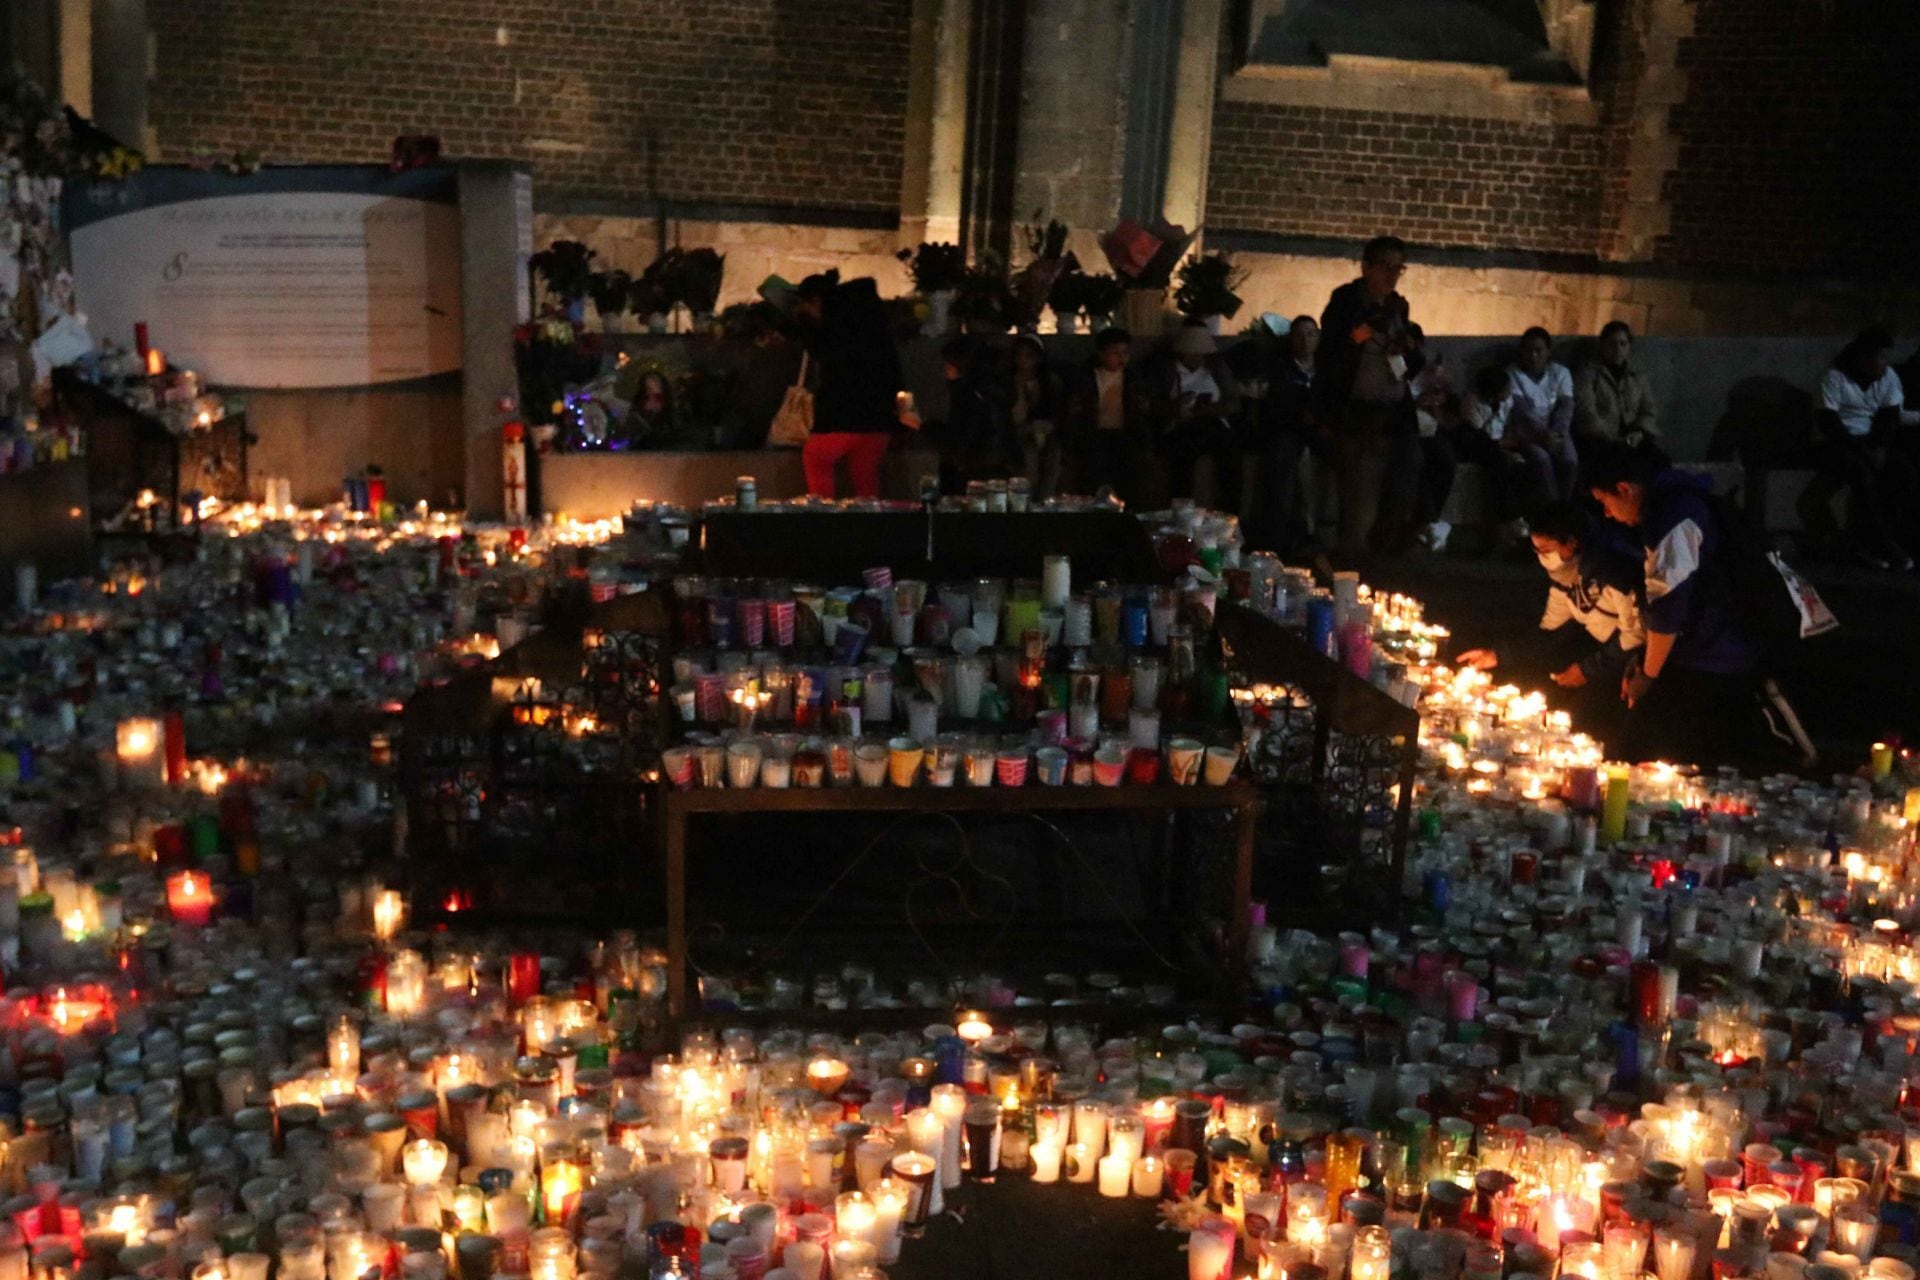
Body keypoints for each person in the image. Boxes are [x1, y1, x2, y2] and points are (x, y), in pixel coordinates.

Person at [1585, 444, 1790, 769]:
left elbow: (1669, 604)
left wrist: (1648, 676)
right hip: (1709, 647)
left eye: (1604, 502)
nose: (1608, 513)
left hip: (1712, 654)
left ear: (1624, 489)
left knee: (1636, 757)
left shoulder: (1674, 516)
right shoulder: (1675, 505)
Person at [1456, 501, 1643, 741]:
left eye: (1547, 550)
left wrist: (1588, 670)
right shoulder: (1565, 574)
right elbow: (1550, 631)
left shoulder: (1615, 571)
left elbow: (1636, 634)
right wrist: (1497, 655)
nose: (1543, 558)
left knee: (1601, 727)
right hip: (1609, 655)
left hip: (1639, 661)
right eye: (1537, 551)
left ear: (1573, 542)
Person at [1317, 235, 1420, 565]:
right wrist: (1366, 330)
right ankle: (1349, 559)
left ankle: (1387, 545)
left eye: (1397, 268)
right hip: (1355, 411)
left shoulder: (1398, 306)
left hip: (1394, 409)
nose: (1391, 276)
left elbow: (1410, 361)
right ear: (1366, 268)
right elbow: (1336, 347)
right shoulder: (1346, 301)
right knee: (1359, 489)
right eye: (1385, 267)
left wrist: (1406, 345)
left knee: (1408, 472)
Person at [1802, 326, 1919, 570]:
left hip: (1867, 440)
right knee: (1860, 473)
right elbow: (1829, 423)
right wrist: (1862, 450)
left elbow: (1889, 417)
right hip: (1834, 442)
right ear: (1862, 358)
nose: (1885, 364)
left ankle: (1875, 539)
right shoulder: (1833, 378)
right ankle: (1884, 543)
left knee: (1903, 474)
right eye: (1880, 358)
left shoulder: (1887, 378)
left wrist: (1880, 447)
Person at [797, 273, 917, 498]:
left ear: (816, 301)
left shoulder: (837, 326)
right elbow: (896, 375)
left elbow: (820, 352)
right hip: (879, 421)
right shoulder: (875, 325)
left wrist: (807, 326)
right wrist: (907, 419)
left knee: (816, 456)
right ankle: (869, 521)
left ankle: (822, 513)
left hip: (841, 418)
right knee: (866, 474)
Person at [1230, 315, 1322, 557]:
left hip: (1320, 431)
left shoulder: (1326, 370)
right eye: (1300, 335)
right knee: (1282, 456)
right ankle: (1279, 537)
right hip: (1288, 429)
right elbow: (1276, 407)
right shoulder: (1280, 369)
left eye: (1311, 334)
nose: (1305, 341)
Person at [1152, 323, 1242, 510]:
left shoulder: (1217, 369)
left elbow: (1234, 402)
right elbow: (1154, 405)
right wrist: (1178, 407)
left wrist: (1212, 408)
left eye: (1202, 354)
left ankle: (1230, 512)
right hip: (1181, 426)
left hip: (1213, 423)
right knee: (1183, 452)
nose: (1198, 358)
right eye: (1193, 353)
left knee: (1231, 450)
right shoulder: (1167, 371)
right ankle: (1181, 510)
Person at [1067, 326, 1151, 502]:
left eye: (1125, 352)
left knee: (1131, 464)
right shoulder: (1086, 377)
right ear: (1101, 354)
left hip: (1126, 432)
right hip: (1095, 431)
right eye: (1115, 352)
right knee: (1095, 464)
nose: (1121, 358)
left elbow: (1144, 405)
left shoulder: (1133, 377)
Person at [1505, 327, 1580, 505]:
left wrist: (1557, 433)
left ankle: (1565, 505)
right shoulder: (1513, 374)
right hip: (1527, 431)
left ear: (1548, 352)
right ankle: (1552, 509)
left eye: (1539, 350)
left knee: (1570, 461)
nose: (1533, 356)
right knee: (1541, 460)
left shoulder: (1560, 373)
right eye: (1529, 350)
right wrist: (1542, 435)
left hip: (1556, 429)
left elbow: (1565, 406)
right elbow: (1521, 411)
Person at [933, 335, 1010, 491]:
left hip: (975, 471)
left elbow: (961, 438)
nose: (945, 368)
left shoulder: (970, 395)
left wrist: (923, 425)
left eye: (949, 363)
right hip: (984, 467)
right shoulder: (983, 390)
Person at [1574, 320, 1659, 453]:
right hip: (1600, 441)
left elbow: (1648, 410)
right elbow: (1586, 411)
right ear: (1602, 345)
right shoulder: (1588, 374)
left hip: (1633, 439)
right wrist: (1612, 438)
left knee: (1659, 461)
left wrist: (1639, 432)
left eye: (1623, 344)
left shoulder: (1636, 376)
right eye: (1612, 344)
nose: (1618, 349)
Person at [1006, 334, 1068, 500]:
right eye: (1019, 355)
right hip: (1017, 433)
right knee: (1029, 456)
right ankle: (1026, 498)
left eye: (1029, 355)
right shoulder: (1008, 382)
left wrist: (1049, 425)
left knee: (1055, 456)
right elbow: (1011, 416)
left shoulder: (1051, 382)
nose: (1023, 360)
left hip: (1047, 431)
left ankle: (1045, 500)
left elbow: (1059, 410)